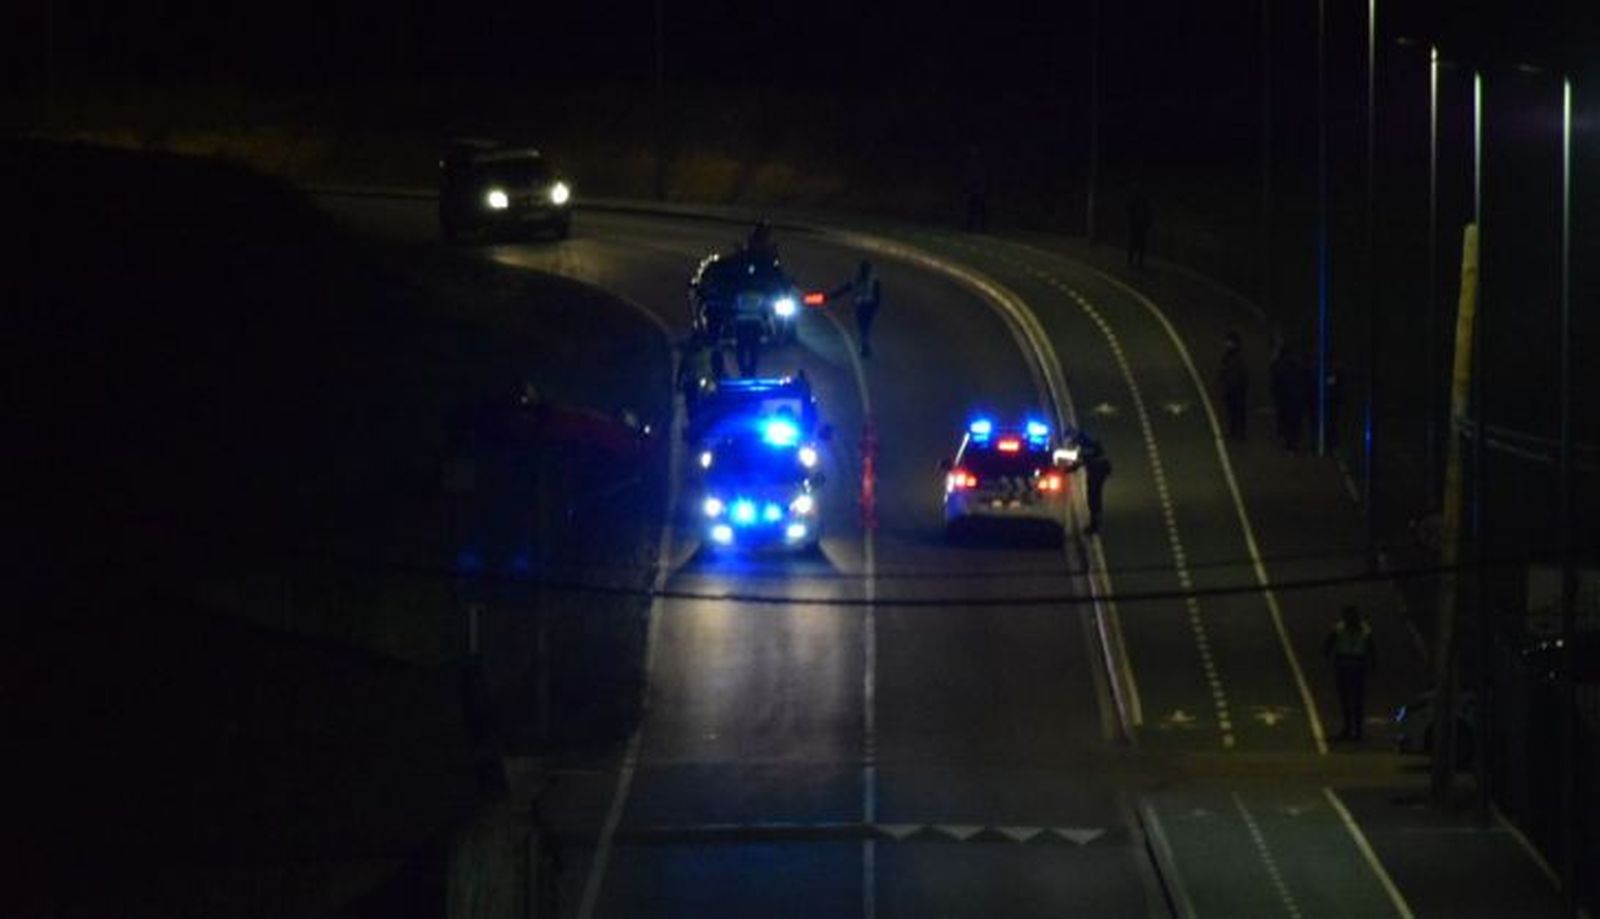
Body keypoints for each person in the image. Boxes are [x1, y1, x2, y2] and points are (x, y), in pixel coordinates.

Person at [1322, 605, 1377, 741]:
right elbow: (1328, 644)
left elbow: (1328, 645)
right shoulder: (1351, 629)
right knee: (1349, 700)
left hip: (1351, 666)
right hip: (1349, 666)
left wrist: (1327, 654)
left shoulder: (1357, 629)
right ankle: (1351, 730)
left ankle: (1354, 730)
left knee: (1353, 700)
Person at [831, 259, 882, 358]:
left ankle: (864, 346)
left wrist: (828, 297)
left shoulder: (860, 279)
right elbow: (878, 296)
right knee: (865, 326)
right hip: (867, 306)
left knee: (863, 326)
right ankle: (865, 345)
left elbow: (844, 289)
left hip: (862, 306)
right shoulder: (873, 280)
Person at [1066, 428, 1112, 535]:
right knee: (1095, 495)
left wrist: (1070, 469)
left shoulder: (1085, 443)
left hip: (1097, 470)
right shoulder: (1086, 440)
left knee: (1093, 496)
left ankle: (1095, 524)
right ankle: (1097, 519)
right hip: (1099, 469)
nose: (1071, 442)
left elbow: (1083, 459)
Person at [1219, 330, 1249, 441]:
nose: (1227, 344)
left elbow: (1238, 375)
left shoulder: (1236, 358)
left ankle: (1239, 433)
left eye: (1229, 342)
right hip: (1232, 388)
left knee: (1237, 411)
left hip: (1236, 389)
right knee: (1233, 411)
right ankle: (1234, 431)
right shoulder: (1229, 357)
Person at [963, 145, 989, 232]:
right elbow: (968, 177)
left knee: (978, 211)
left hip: (977, 190)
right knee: (972, 210)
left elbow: (979, 177)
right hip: (974, 190)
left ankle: (979, 228)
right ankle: (970, 228)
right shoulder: (971, 163)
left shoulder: (979, 163)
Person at [1126, 189, 1152, 269]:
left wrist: (1147, 224)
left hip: (1141, 226)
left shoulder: (1143, 203)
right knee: (1134, 245)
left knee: (1141, 246)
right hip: (1136, 226)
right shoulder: (1134, 203)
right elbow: (1130, 214)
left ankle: (1138, 262)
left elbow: (1148, 214)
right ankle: (1131, 262)